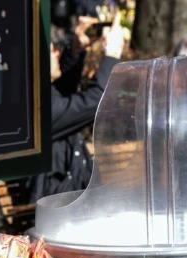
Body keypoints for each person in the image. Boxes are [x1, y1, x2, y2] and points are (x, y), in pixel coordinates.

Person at [27, 18, 124, 201]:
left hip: (68, 194)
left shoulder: (36, 97)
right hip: (59, 203)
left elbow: (63, 93)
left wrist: (76, 49)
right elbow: (96, 100)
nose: (57, 52)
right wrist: (112, 54)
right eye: (51, 50)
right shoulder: (39, 109)